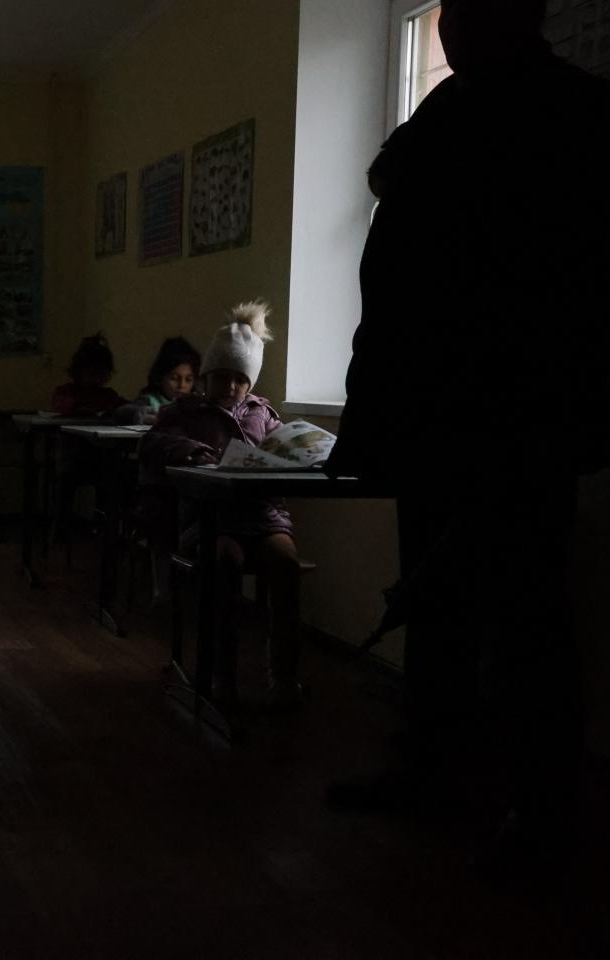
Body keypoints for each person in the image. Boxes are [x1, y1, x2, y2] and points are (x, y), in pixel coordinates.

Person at [324, 0, 610, 862]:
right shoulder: (460, 107)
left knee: (526, 613)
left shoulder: (570, 113)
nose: (447, 27)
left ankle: (539, 806)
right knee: (447, 604)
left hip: (520, 409)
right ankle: (439, 770)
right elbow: (387, 185)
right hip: (440, 409)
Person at [140, 303, 304, 709]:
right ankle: (219, 673)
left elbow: (284, 447)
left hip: (264, 518)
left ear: (250, 384)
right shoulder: (186, 412)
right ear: (207, 377)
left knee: (285, 565)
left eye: (240, 380)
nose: (231, 387)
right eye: (222, 377)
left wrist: (299, 452)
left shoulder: (263, 414)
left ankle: (283, 676)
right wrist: (194, 452)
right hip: (211, 520)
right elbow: (151, 443)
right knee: (224, 564)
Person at [115, 336, 200, 425]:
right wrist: (147, 418)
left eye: (188, 380)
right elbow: (120, 414)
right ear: (160, 377)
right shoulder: (150, 401)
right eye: (174, 378)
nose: (182, 385)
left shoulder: (195, 404)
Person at [49, 333, 127, 417]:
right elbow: (62, 404)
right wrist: (78, 409)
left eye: (101, 373)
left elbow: (124, 406)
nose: (97, 377)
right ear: (79, 370)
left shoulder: (108, 395)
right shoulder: (65, 392)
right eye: (92, 372)